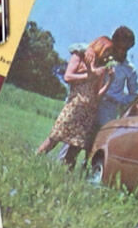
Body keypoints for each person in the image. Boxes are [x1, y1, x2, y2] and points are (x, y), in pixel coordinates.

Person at [36, 35, 110, 170]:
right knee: (55, 137)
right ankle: (35, 159)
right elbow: (67, 77)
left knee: (75, 147)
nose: (107, 56)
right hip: (74, 106)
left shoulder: (101, 67)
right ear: (100, 47)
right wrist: (89, 75)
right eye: (107, 51)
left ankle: (63, 174)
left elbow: (97, 95)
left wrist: (109, 80)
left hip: (88, 111)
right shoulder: (80, 56)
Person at [95, 25, 138, 127]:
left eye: (126, 49)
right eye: (119, 47)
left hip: (109, 108)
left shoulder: (129, 68)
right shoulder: (101, 56)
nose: (122, 51)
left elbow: (134, 94)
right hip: (91, 102)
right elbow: (84, 48)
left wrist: (120, 100)